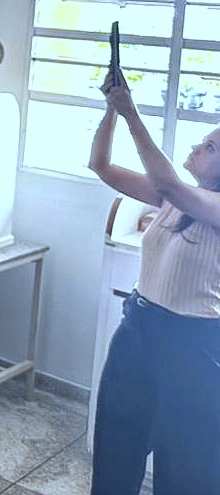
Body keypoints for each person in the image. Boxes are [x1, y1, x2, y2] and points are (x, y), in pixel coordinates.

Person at [88, 69, 220, 494]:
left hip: (194, 346)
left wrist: (132, 113)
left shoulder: (207, 204)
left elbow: (168, 183)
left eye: (211, 147)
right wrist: (112, 109)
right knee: (115, 449)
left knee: (183, 467)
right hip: (138, 329)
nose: (198, 147)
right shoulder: (172, 197)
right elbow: (101, 165)